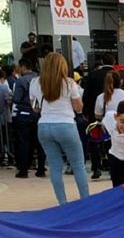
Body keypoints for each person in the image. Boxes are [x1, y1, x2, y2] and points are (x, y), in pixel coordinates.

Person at [30, 52, 89, 205]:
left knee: (55, 166)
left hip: (44, 126)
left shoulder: (35, 82)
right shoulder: (69, 83)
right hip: (66, 125)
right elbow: (78, 108)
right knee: (78, 165)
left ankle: (62, 202)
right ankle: (86, 200)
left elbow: (35, 108)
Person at [11, 56, 45, 179]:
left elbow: (16, 99)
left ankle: (23, 170)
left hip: (24, 114)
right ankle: (41, 169)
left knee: (24, 142)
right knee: (39, 142)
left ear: (23, 67)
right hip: (39, 113)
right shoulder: (40, 79)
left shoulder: (20, 81)